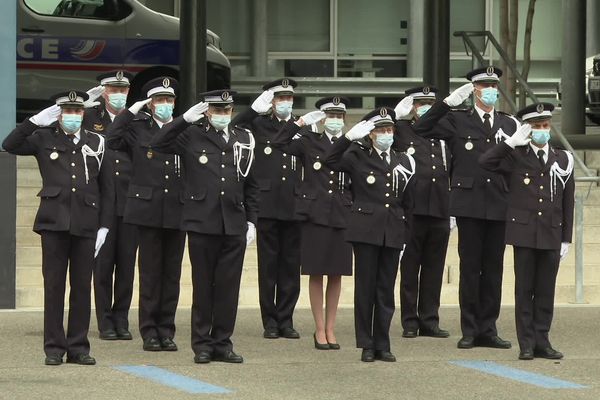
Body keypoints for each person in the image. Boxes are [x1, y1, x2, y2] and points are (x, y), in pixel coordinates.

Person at [3, 91, 114, 366]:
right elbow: (10, 144)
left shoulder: (97, 141)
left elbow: (107, 188)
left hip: (87, 223)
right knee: (54, 287)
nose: (74, 116)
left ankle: (78, 347)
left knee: (81, 288)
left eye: (78, 111)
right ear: (59, 113)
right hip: (53, 223)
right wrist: (34, 121)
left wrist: (105, 225)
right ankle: (54, 347)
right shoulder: (43, 138)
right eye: (68, 111)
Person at [150, 90, 259, 364]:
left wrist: (252, 220)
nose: (223, 115)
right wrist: (184, 120)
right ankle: (202, 344)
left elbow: (251, 183)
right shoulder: (191, 135)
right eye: (218, 110)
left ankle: (223, 342)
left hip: (233, 221)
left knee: (228, 288)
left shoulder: (242, 138)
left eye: (227, 110)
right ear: (207, 111)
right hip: (202, 221)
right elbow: (158, 142)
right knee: (203, 286)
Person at [418, 66, 518, 350]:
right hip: (470, 203)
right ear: (474, 89)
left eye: (494, 85)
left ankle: (489, 327)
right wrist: (446, 104)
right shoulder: (458, 120)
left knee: (494, 269)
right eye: (485, 85)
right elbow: (422, 128)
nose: (490, 90)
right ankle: (470, 329)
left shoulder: (508, 123)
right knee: (471, 268)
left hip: (499, 202)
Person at [479, 103, 574, 360]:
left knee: (545, 290)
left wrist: (566, 237)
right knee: (524, 290)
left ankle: (542, 340)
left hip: (551, 233)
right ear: (528, 129)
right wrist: (510, 143)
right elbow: (485, 162)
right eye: (536, 126)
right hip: (524, 232)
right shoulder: (515, 156)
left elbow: (568, 200)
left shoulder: (563, 158)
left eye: (545, 125)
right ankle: (527, 344)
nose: (542, 130)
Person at [324, 107, 415, 362]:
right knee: (366, 289)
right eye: (381, 130)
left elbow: (409, 202)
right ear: (371, 134)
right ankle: (366, 343)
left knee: (386, 290)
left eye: (390, 130)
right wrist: (348, 138)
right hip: (365, 230)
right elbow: (330, 161)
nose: (386, 134)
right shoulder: (357, 155)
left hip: (393, 230)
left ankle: (383, 343)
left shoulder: (403, 160)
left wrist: (406, 236)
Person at [106, 77, 185, 352]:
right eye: (160, 100)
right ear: (150, 103)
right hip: (147, 208)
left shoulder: (183, 127)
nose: (165, 104)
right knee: (150, 273)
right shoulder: (138, 128)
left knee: (171, 275)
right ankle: (149, 331)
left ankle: (167, 329)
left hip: (177, 208)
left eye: (169, 99)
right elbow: (112, 139)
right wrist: (130, 112)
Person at [272, 96, 353, 350]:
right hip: (315, 214)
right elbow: (278, 143)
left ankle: (331, 327)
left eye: (339, 116)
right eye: (330, 116)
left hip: (341, 214)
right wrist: (301, 122)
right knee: (316, 272)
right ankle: (319, 329)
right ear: (323, 118)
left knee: (337, 274)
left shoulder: (351, 144)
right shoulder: (310, 141)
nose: (335, 120)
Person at [393, 83, 473, 339]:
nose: (424, 108)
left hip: (439, 207)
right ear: (412, 107)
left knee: (433, 267)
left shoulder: (444, 131)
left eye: (429, 104)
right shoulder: (403, 130)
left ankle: (430, 320)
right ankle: (409, 321)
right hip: (413, 210)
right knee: (410, 268)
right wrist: (397, 116)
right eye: (419, 103)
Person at [232, 78, 302, 339]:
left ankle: (286, 318)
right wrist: (254, 109)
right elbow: (233, 126)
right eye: (279, 97)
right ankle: (270, 320)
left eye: (288, 97)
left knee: (290, 266)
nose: (284, 102)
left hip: (294, 204)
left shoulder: (301, 126)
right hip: (267, 203)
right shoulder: (258, 124)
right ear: (271, 101)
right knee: (269, 265)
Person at [83, 70, 138, 341]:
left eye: (123, 90)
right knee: (103, 266)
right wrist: (82, 104)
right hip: (102, 201)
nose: (119, 95)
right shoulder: (90, 117)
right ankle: (105, 321)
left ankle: (122, 319)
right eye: (114, 90)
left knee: (127, 266)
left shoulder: (137, 119)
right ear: (103, 91)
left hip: (130, 202)